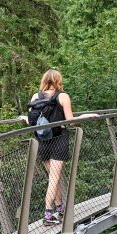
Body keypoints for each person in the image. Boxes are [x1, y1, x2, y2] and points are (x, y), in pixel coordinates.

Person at [28, 69, 74, 226]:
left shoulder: (35, 97)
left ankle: (60, 208)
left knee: (53, 177)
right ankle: (48, 214)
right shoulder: (63, 96)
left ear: (44, 81)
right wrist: (86, 117)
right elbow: (70, 122)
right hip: (59, 140)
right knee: (54, 178)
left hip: (43, 141)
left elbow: (33, 120)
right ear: (58, 81)